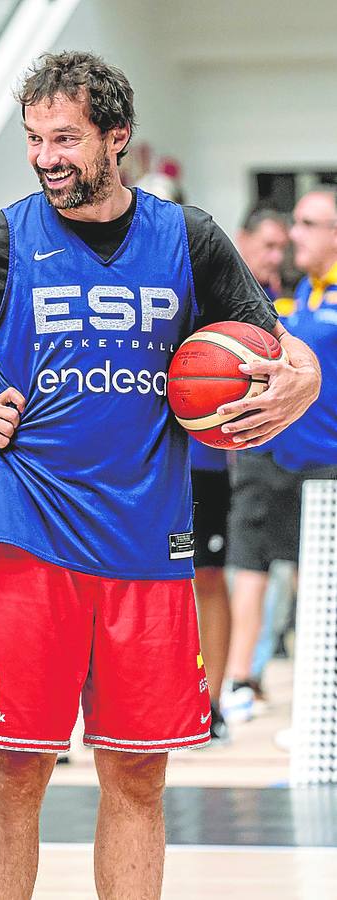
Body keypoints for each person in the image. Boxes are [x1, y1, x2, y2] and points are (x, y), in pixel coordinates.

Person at [0, 51, 320, 899]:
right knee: (17, 770)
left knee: (139, 777)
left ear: (118, 138)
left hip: (149, 544)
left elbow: (281, 350)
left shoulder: (189, 237)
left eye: (64, 137)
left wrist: (306, 380)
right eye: (34, 139)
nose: (45, 156)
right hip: (29, 540)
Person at [225, 189, 337, 719]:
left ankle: (320, 706)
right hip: (266, 455)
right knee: (251, 566)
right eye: (296, 223)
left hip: (326, 467)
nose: (295, 235)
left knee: (320, 584)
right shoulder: (296, 298)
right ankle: (240, 681)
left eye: (310, 224)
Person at [194, 208, 290, 735]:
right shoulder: (199, 283)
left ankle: (212, 706)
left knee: (212, 579)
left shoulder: (272, 311)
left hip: (212, 463)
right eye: (269, 245)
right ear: (244, 238)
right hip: (153, 460)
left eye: (283, 247)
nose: (276, 257)